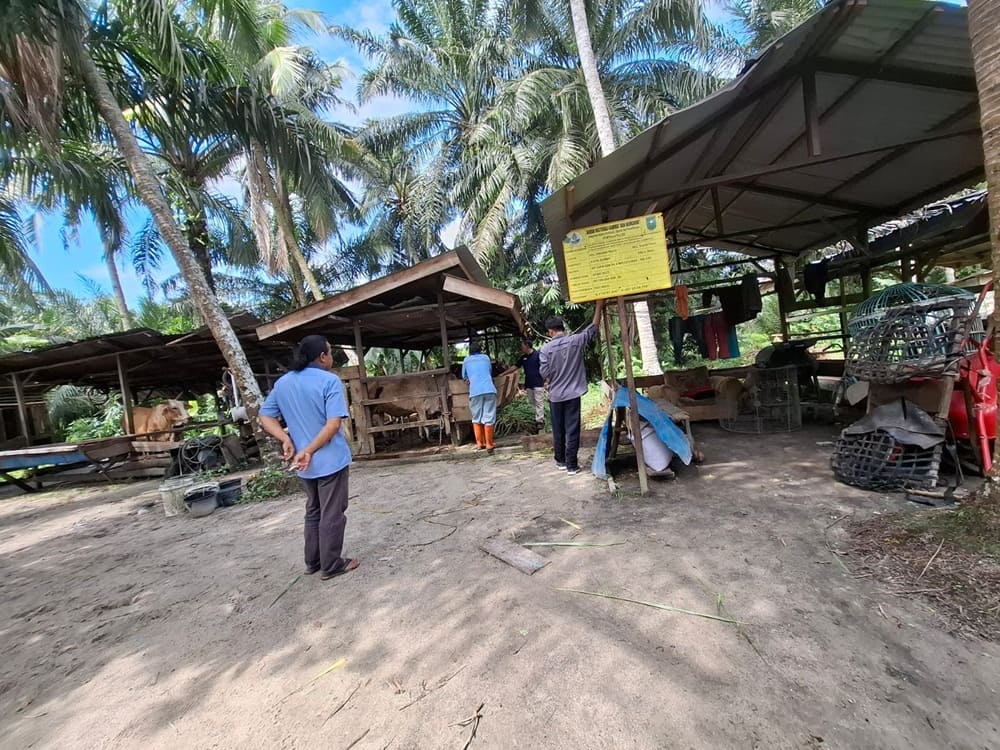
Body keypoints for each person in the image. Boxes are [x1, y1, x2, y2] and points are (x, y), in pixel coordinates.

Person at [258, 335, 360, 581]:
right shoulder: (329, 381)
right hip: (329, 460)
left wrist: (285, 439)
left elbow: (265, 416)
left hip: (303, 463)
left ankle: (313, 561)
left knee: (314, 510)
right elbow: (333, 424)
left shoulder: (283, 383)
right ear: (322, 357)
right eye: (330, 352)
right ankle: (332, 564)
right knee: (332, 512)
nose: (331, 357)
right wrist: (311, 450)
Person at [539, 300, 605, 475]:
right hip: (573, 394)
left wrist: (551, 379)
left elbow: (544, 373)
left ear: (550, 332)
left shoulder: (545, 350)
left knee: (558, 429)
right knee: (572, 429)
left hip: (555, 396)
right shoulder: (575, 341)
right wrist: (599, 306)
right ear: (562, 328)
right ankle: (571, 465)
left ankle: (560, 460)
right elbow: (593, 328)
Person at [462, 342, 497, 454]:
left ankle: (480, 443)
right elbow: (489, 371)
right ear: (480, 351)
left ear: (469, 352)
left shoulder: (466, 360)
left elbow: (464, 376)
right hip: (489, 390)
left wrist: (469, 379)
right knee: (489, 416)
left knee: (476, 417)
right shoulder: (486, 358)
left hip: (475, 392)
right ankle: (489, 444)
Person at [503, 339, 545, 433]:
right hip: (529, 383)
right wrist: (504, 373)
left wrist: (547, 378)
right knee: (531, 402)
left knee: (539, 402)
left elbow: (545, 367)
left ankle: (540, 421)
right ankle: (535, 418)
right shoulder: (523, 357)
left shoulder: (538, 355)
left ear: (527, 346)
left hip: (538, 383)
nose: (521, 348)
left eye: (522, 346)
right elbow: (515, 366)